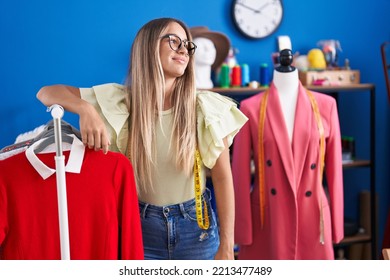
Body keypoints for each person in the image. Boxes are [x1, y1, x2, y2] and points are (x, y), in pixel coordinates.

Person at [36, 17, 248, 260]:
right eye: (173, 41)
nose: (183, 50)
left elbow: (222, 177)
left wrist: (227, 245)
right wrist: (85, 109)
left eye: (187, 45)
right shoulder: (119, 101)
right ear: (147, 46)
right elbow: (47, 92)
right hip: (138, 227)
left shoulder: (203, 108)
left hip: (196, 232)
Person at [231, 49, 344, 259]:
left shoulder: (326, 106)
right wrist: (242, 229)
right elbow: (240, 174)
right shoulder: (250, 108)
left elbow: (335, 171)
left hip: (313, 215)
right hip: (267, 219)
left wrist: (336, 224)